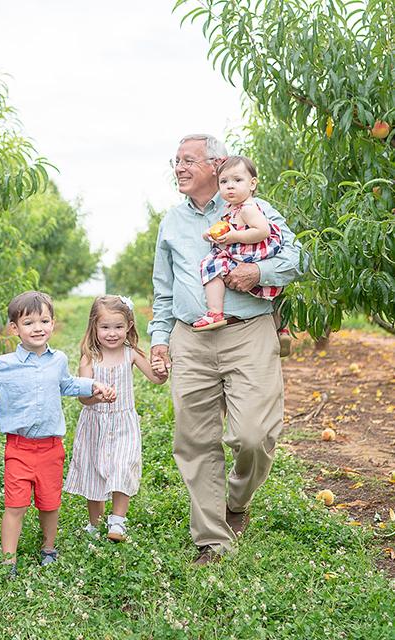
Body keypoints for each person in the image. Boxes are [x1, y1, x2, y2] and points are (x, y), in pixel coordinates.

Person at [149, 134, 304, 565]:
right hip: (191, 337)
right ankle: (212, 539)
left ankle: (236, 501)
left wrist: (258, 270)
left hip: (248, 330)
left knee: (255, 435)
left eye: (188, 161)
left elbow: (298, 258)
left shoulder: (249, 206)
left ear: (216, 166)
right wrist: (160, 341)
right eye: (175, 161)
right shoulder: (172, 223)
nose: (178, 168)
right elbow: (163, 290)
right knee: (195, 439)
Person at [0, 290, 116, 577]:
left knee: (50, 502)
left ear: (52, 324)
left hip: (51, 448)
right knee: (15, 505)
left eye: (44, 321)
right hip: (18, 448)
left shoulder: (59, 360)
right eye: (29, 323)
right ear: (15, 329)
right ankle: (8, 560)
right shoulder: (5, 364)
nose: (38, 328)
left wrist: (93, 386)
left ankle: (49, 548)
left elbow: (66, 385)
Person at [64, 295, 168, 542]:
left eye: (118, 327)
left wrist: (162, 370)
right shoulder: (89, 357)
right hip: (95, 423)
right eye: (105, 327)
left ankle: (118, 522)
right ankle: (94, 523)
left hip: (123, 423)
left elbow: (156, 379)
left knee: (123, 466)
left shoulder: (130, 354)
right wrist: (96, 395)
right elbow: (83, 397)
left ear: (129, 326)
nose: (112, 333)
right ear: (94, 327)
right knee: (94, 471)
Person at [193, 156, 284, 330]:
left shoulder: (248, 208)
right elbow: (226, 227)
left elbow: (262, 231)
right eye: (224, 181)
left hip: (250, 251)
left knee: (212, 265)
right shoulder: (232, 208)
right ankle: (280, 326)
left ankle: (214, 312)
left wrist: (235, 237)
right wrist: (211, 234)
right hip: (241, 250)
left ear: (252, 184)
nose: (230, 185)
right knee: (214, 264)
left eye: (237, 180)